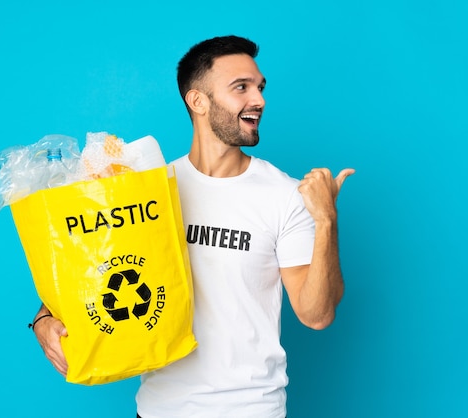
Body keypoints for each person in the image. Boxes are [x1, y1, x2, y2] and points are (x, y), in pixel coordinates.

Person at [30, 35, 354, 418]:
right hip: (158, 409)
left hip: (251, 409)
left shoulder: (285, 195)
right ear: (197, 101)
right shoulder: (148, 191)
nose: (259, 100)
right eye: (241, 88)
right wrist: (43, 319)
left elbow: (316, 314)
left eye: (260, 87)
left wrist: (327, 220)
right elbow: (95, 271)